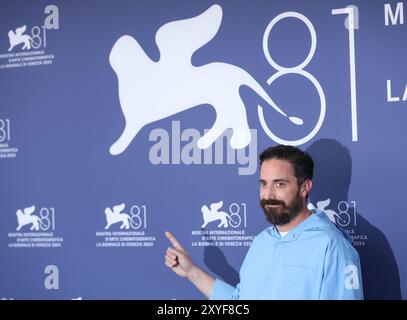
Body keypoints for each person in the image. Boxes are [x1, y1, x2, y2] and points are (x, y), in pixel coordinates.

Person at [164, 145, 363, 299]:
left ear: (304, 188)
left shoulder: (331, 245)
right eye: (263, 184)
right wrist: (192, 271)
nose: (268, 194)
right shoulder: (261, 242)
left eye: (280, 184)